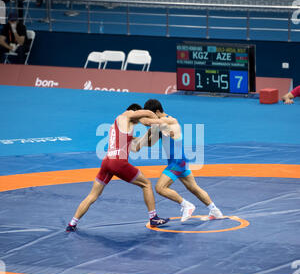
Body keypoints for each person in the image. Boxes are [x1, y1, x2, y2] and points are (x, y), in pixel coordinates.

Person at [66, 104, 169, 232]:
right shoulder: (126, 115)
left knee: (93, 195)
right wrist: (162, 120)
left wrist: (150, 131)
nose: (138, 122)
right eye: (138, 118)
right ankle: (153, 217)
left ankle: (72, 223)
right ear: (134, 111)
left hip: (107, 162)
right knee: (146, 184)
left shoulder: (117, 126)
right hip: (118, 162)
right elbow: (147, 116)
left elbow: (136, 146)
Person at [136, 99, 223, 222]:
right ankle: (215, 210)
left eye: (151, 115)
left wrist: (134, 115)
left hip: (177, 162)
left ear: (157, 112)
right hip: (180, 161)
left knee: (160, 188)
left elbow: (148, 122)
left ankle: (186, 205)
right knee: (194, 188)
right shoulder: (159, 125)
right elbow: (151, 142)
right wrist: (140, 141)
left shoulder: (170, 120)